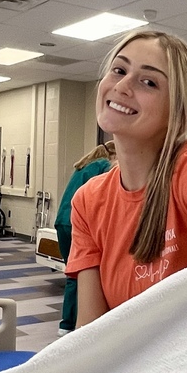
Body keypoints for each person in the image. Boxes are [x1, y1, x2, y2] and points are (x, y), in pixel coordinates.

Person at [67, 29, 187, 328]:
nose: (122, 86)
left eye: (148, 82)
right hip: (126, 366)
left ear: (179, 110)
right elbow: (90, 331)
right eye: (119, 70)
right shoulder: (88, 200)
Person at [54, 141, 116, 334]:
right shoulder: (103, 166)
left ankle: (67, 324)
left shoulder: (84, 166)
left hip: (63, 221)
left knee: (73, 273)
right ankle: (73, 324)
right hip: (77, 222)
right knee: (83, 274)